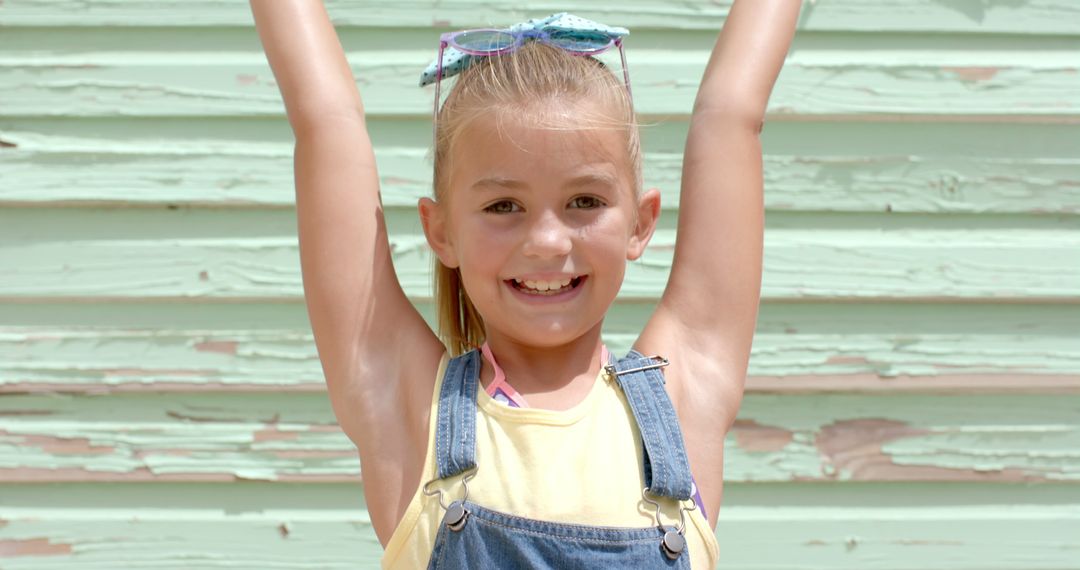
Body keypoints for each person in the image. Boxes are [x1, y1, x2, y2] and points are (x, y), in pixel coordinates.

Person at [251, 2, 801, 567]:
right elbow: (325, 120)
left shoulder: (681, 399)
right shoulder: (410, 409)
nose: (546, 241)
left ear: (640, 222)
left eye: (584, 201)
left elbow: (732, 114)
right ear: (440, 231)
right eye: (503, 205)